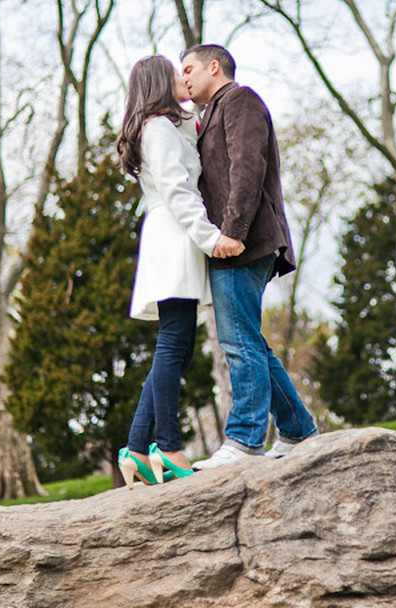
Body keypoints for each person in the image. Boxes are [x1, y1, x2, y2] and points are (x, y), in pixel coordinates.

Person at [180, 43, 319, 469]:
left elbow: (247, 165)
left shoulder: (239, 100)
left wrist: (233, 232)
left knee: (238, 341)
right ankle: (297, 430)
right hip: (231, 242)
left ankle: (244, 441)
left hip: (242, 242)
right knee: (249, 340)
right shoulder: (209, 116)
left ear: (214, 67)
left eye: (188, 69)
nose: (183, 78)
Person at [114, 55, 244, 488]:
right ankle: (167, 445)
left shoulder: (166, 127)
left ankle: (136, 446)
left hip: (171, 234)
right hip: (175, 234)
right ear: (158, 84)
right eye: (176, 74)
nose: (184, 79)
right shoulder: (158, 129)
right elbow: (177, 189)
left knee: (176, 343)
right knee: (174, 344)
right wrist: (211, 239)